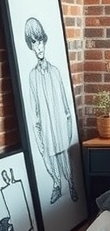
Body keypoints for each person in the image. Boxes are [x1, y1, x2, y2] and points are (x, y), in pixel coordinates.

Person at [24, 17, 78, 204]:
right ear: (31, 47)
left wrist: (67, 131)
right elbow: (34, 110)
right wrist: (39, 138)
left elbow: (65, 105)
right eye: (34, 45)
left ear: (44, 43)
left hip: (60, 126)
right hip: (46, 128)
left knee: (63, 153)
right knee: (49, 154)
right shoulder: (32, 77)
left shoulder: (55, 71)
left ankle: (71, 183)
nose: (38, 49)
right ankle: (57, 184)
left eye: (40, 43)